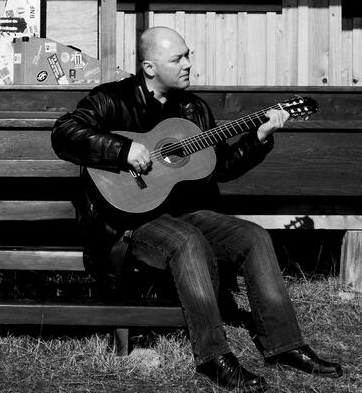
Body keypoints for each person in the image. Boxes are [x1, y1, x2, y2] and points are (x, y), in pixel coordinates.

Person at [51, 26, 342, 391]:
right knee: (188, 240)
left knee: (251, 235)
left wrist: (258, 137)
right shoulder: (110, 99)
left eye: (188, 55)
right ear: (150, 67)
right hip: (127, 222)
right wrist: (122, 150)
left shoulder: (193, 109)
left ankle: (285, 345)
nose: (188, 64)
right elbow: (65, 132)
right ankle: (214, 357)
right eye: (178, 58)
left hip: (185, 212)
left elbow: (220, 165)